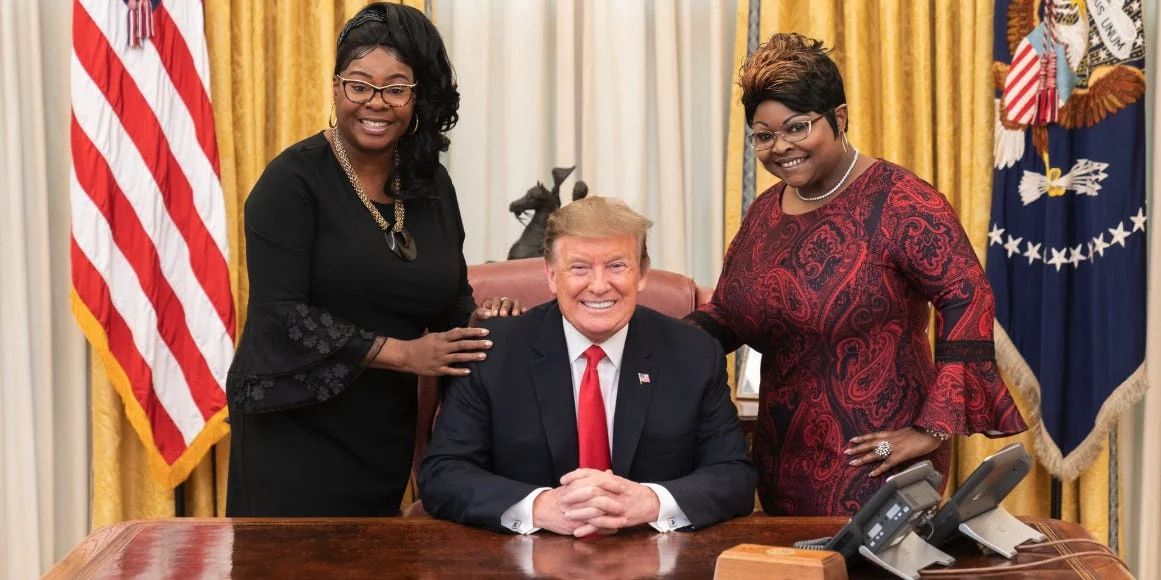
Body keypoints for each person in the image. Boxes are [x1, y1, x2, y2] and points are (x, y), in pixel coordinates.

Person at [686, 33, 1028, 516]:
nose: (781, 147)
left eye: (797, 127)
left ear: (838, 118)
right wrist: (651, 341)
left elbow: (967, 295)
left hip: (879, 460)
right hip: (779, 458)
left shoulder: (901, 199)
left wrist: (929, 431)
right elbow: (729, 315)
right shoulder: (764, 211)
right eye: (764, 135)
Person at [225, 3, 519, 517]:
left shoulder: (430, 186)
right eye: (359, 85)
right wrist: (407, 355)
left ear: (418, 95)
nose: (375, 103)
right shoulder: (291, 183)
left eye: (396, 88)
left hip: (382, 433)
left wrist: (478, 322)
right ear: (337, 87)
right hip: (291, 433)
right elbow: (282, 317)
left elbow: (448, 298)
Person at [419, 196, 755, 535]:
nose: (598, 285)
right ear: (551, 275)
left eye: (616, 266)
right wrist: (538, 507)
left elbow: (733, 476)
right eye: (579, 267)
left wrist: (649, 502)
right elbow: (444, 473)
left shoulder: (694, 353)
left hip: (650, 554)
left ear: (641, 274)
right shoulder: (493, 352)